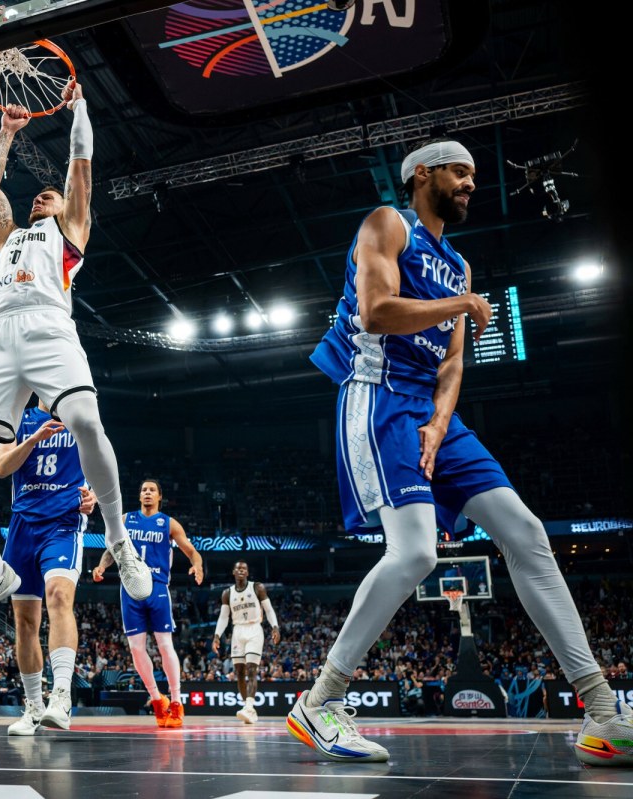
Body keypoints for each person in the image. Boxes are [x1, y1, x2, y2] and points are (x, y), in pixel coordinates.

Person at [288, 137, 632, 766]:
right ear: (423, 174)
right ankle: (320, 700)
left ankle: (603, 708)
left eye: (473, 174)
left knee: (526, 533)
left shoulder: (461, 263)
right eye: (461, 172)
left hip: (430, 413)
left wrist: (442, 422)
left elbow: (452, 361)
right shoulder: (387, 223)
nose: (473, 183)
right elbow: (375, 311)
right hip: (379, 395)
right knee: (415, 552)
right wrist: (463, 305)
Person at [0, 78, 152, 633]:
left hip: (47, 326)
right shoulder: (11, 235)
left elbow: (80, 163)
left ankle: (118, 539)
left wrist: (81, 104)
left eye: (49, 195)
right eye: (39, 194)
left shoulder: (70, 231)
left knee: (83, 417)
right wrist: (6, 133)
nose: (43, 195)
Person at [0, 398, 96, 735]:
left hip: (63, 523)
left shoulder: (80, 414)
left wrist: (94, 494)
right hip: (23, 526)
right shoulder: (16, 418)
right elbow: (1, 467)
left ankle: (62, 696)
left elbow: (99, 463)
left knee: (58, 596)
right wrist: (34, 439)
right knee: (25, 622)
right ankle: (34, 707)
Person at [93, 479, 203, 728]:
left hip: (158, 587)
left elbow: (190, 549)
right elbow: (112, 548)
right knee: (135, 648)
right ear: (140, 495)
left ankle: (176, 701)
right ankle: (156, 699)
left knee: (165, 644)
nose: (147, 493)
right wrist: (102, 565)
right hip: (130, 588)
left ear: (159, 497)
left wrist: (197, 565)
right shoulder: (125, 520)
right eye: (143, 489)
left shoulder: (168, 523)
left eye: (152, 490)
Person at [212, 561, 280, 724]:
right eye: (238, 568)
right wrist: (216, 635)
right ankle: (248, 708)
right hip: (237, 631)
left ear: (247, 573)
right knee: (240, 672)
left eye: (244, 569)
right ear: (233, 572)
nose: (241, 570)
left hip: (254, 629)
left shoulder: (257, 587)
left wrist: (275, 627)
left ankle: (249, 707)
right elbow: (223, 617)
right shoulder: (227, 593)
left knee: (251, 668)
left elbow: (269, 610)